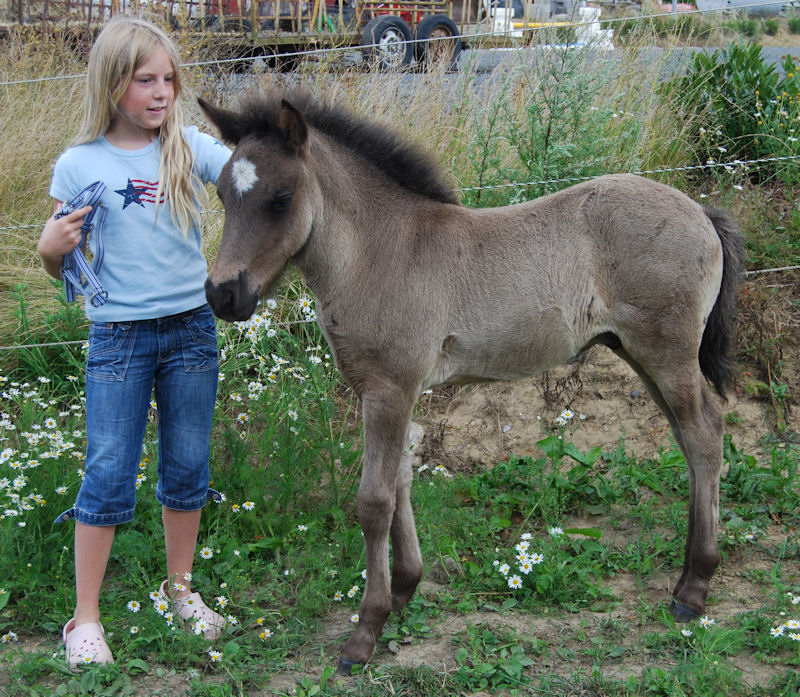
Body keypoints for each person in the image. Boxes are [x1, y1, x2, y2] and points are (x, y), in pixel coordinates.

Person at [37, 16, 232, 670]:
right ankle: (83, 618)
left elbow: (248, 177)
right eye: (144, 79)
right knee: (109, 469)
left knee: (187, 466)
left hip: (190, 332)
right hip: (118, 339)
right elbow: (62, 260)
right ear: (112, 83)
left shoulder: (188, 147)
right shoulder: (80, 162)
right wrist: (47, 250)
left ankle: (179, 589)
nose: (160, 92)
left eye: (169, 79)